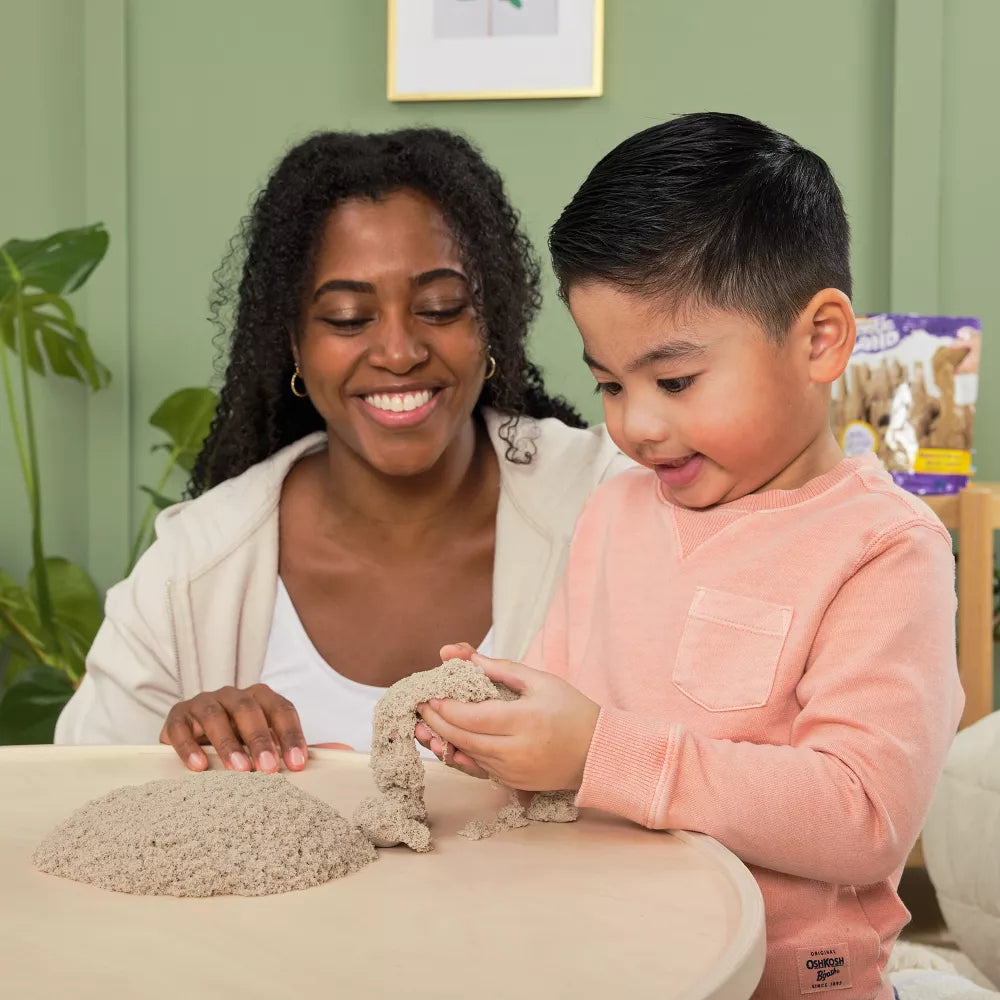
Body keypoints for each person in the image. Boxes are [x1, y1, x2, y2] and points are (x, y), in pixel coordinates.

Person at [416, 113, 964, 1000]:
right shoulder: (616, 509)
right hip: (600, 960)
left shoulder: (884, 549)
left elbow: (864, 814)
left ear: (821, 340)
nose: (635, 424)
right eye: (608, 384)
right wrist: (493, 729)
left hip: (783, 984)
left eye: (674, 381)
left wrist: (601, 751)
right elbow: (564, 725)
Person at [54, 127, 631, 771]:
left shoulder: (613, 497)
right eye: (348, 319)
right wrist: (173, 754)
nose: (398, 352)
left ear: (489, 322)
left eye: (440, 308)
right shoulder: (194, 569)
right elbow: (75, 798)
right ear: (295, 344)